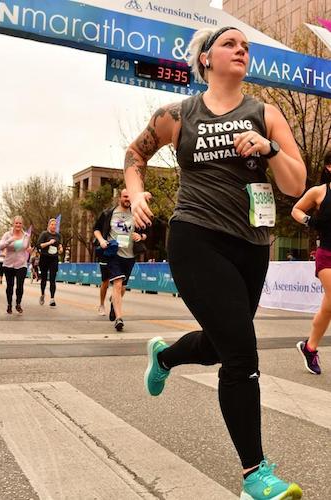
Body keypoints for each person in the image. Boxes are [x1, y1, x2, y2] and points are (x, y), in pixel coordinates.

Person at [124, 26, 306, 500]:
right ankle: (256, 476)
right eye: (229, 43)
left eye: (245, 46)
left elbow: (294, 182)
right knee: (242, 353)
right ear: (205, 59)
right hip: (195, 238)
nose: (240, 49)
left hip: (252, 244)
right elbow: (134, 154)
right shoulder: (179, 114)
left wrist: (269, 149)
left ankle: (164, 355)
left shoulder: (266, 114)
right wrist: (139, 191)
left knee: (225, 344)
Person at [291, 150, 331, 376]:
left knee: (328, 308)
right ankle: (310, 347)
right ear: (329, 167)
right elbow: (296, 209)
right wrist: (309, 220)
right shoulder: (319, 192)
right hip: (327, 255)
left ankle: (309, 347)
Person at [93, 188, 147, 331]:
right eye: (125, 197)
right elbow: (96, 229)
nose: (127, 199)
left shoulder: (136, 213)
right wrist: (102, 240)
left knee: (122, 288)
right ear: (120, 198)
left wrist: (140, 237)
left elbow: (145, 233)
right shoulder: (108, 213)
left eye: (130, 197)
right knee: (117, 284)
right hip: (113, 254)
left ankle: (113, 302)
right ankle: (119, 318)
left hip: (129, 256)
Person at [0, 216, 31, 314]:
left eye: (20, 223)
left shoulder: (26, 235)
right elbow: (0, 246)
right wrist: (11, 240)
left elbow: (27, 247)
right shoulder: (7, 234)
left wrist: (29, 249)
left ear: (22, 224)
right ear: (13, 224)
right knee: (10, 286)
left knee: (20, 285)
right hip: (8, 264)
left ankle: (18, 304)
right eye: (16, 223)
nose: (18, 225)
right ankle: (9, 304)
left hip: (21, 264)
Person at [37, 218, 63, 307]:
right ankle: (42, 294)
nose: (54, 226)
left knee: (53, 279)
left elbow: (59, 245)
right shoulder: (44, 234)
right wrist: (48, 243)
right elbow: (39, 245)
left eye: (55, 225)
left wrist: (60, 249)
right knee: (44, 279)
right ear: (49, 225)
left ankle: (52, 299)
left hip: (54, 259)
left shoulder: (58, 235)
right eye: (52, 224)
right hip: (44, 258)